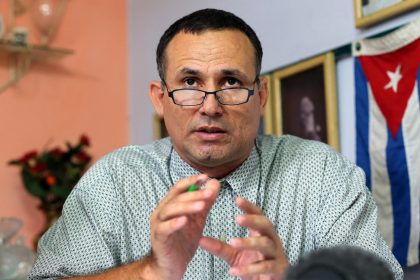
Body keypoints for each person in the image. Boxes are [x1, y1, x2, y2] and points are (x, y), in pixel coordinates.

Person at [29, 8, 403, 280]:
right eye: (190, 82)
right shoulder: (113, 182)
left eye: (230, 82)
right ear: (160, 98)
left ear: (261, 96)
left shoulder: (321, 174)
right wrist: (151, 271)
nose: (210, 106)